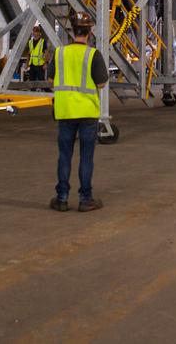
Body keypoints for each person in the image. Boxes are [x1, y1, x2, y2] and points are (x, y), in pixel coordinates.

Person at [49, 11, 107, 212]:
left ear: (71, 31)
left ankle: (62, 198)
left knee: (64, 156)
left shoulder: (59, 53)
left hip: (65, 112)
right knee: (86, 157)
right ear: (90, 32)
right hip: (87, 113)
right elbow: (101, 83)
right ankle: (85, 199)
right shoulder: (93, 54)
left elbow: (50, 80)